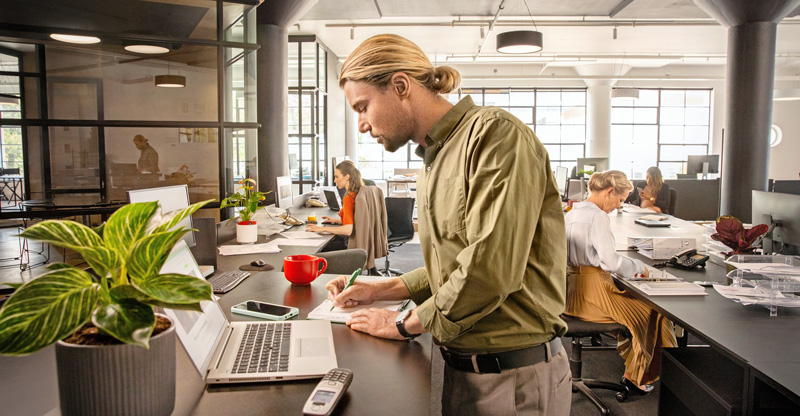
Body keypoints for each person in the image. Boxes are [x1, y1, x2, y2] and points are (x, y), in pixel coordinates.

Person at [328, 34, 571, 415]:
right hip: (462, 370)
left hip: (514, 377)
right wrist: (378, 290)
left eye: (363, 107)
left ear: (401, 85)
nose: (361, 124)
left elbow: (489, 270)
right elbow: (454, 265)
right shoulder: (433, 159)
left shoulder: (494, 135)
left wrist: (403, 323)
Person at [564, 170, 677, 394]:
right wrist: (641, 269)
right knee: (652, 311)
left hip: (571, 294)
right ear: (609, 192)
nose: (618, 206)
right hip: (594, 293)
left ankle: (635, 370)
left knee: (640, 307)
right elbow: (611, 263)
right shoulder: (597, 217)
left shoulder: (571, 212)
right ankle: (636, 375)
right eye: (620, 200)